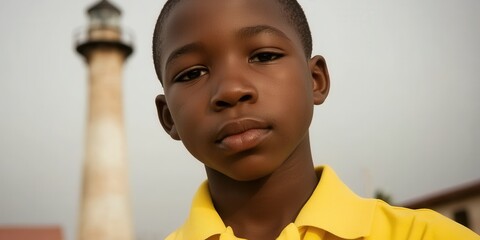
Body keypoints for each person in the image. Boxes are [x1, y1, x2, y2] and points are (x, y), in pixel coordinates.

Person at [151, 0, 480, 239]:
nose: (232, 90)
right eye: (192, 73)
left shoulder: (425, 235)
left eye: (264, 56)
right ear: (169, 118)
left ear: (315, 81)